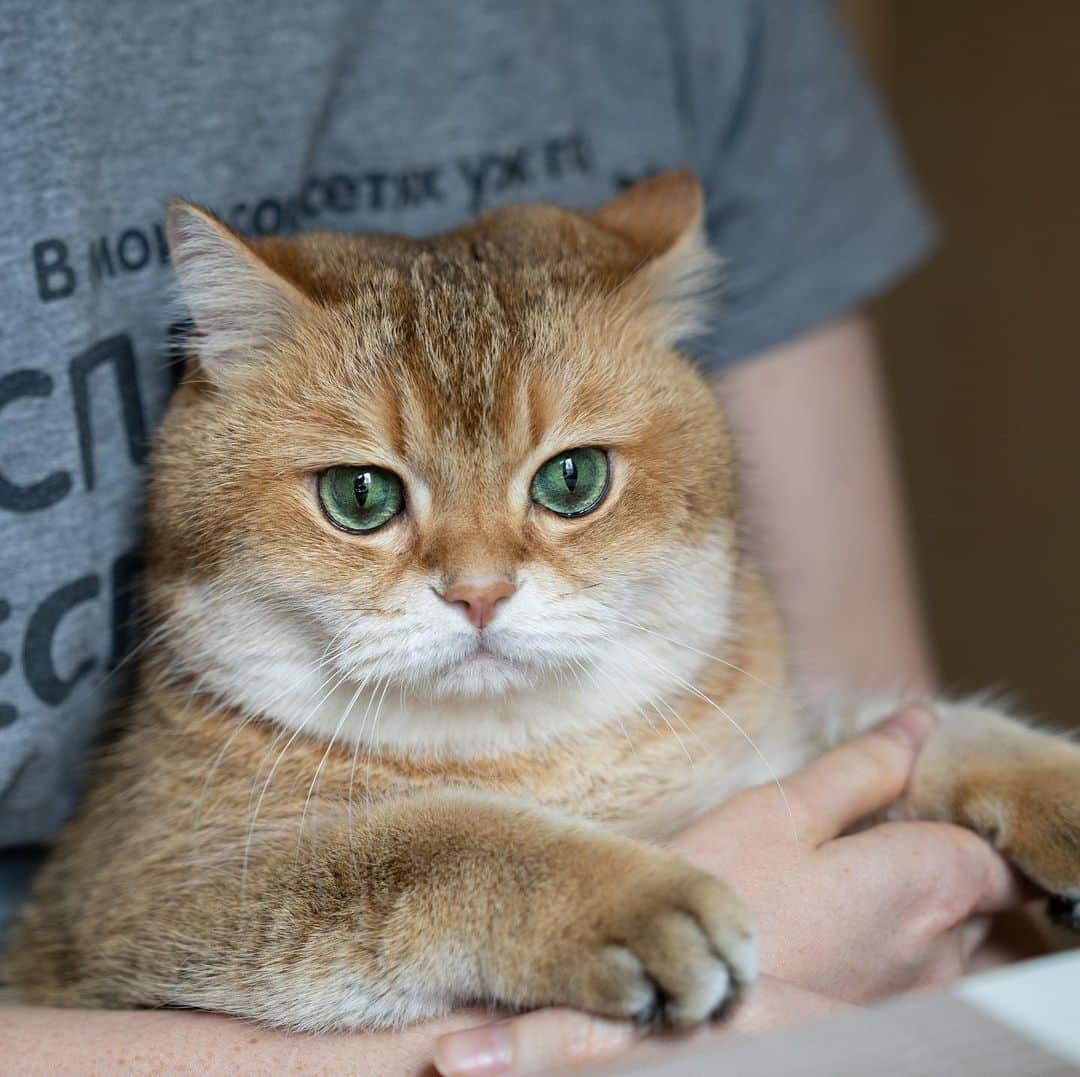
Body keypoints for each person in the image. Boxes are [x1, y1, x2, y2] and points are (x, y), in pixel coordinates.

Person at [0, 0, 1025, 1072]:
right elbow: (143, 930)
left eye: (567, 481)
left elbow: (868, 734)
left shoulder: (710, 26)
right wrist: (519, 942)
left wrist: (945, 785)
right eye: (364, 496)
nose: (477, 579)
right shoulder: (224, 762)